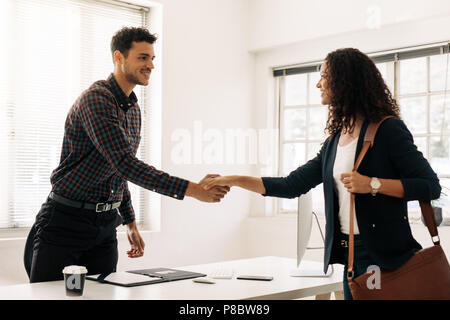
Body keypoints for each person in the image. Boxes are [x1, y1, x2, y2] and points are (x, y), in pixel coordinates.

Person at [202, 48, 442, 300]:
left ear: (345, 81)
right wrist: (234, 180)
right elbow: (291, 185)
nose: (318, 84)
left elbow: (429, 186)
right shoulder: (335, 141)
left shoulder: (388, 129)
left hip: (384, 257)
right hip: (350, 255)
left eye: (325, 76)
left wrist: (372, 184)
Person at [25, 27, 229, 283]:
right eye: (143, 57)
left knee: (105, 295)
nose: (151, 65)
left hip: (105, 226)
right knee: (50, 296)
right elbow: (125, 164)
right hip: (66, 221)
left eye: (152, 58)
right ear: (119, 58)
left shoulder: (133, 108)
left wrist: (129, 222)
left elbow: (116, 172)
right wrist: (193, 189)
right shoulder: (96, 99)